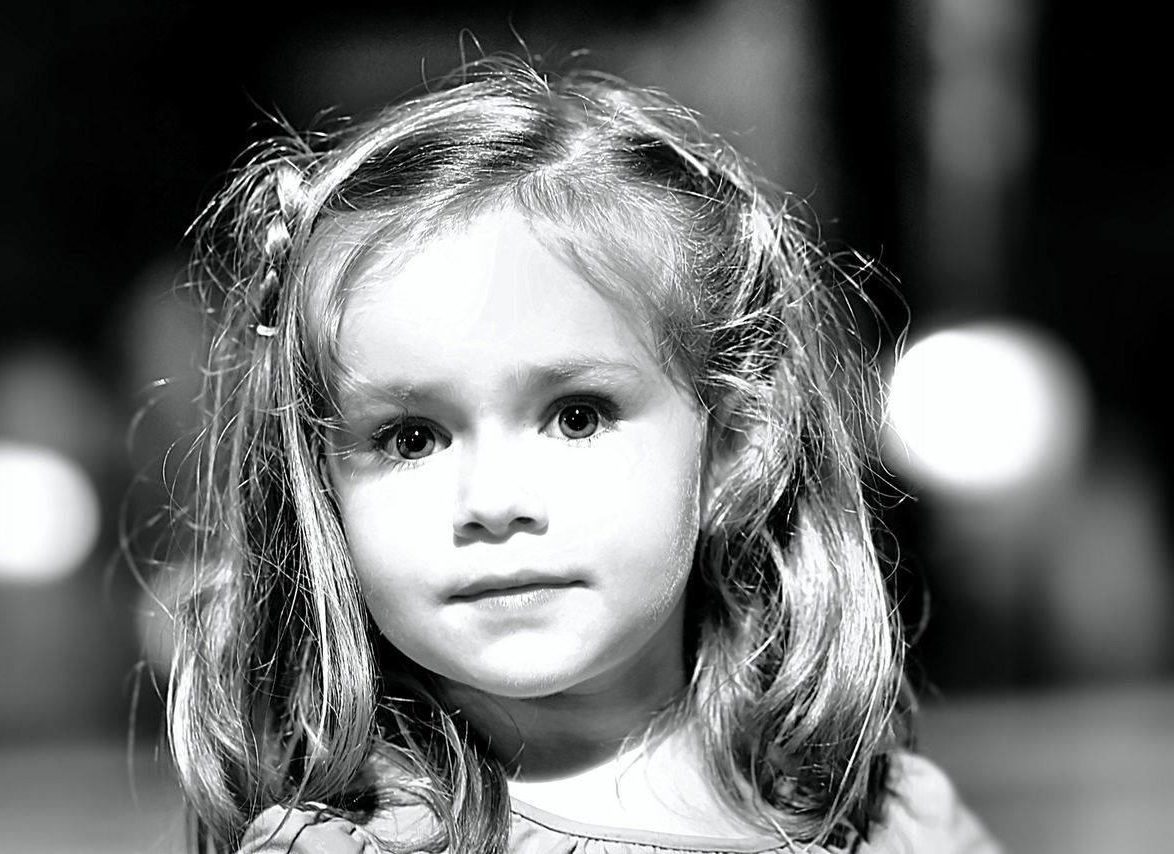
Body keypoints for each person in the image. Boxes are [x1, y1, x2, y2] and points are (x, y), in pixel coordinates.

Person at [165, 55, 999, 853]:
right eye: (411, 438)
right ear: (322, 493)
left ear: (733, 446)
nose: (493, 500)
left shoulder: (890, 821)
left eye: (576, 417)